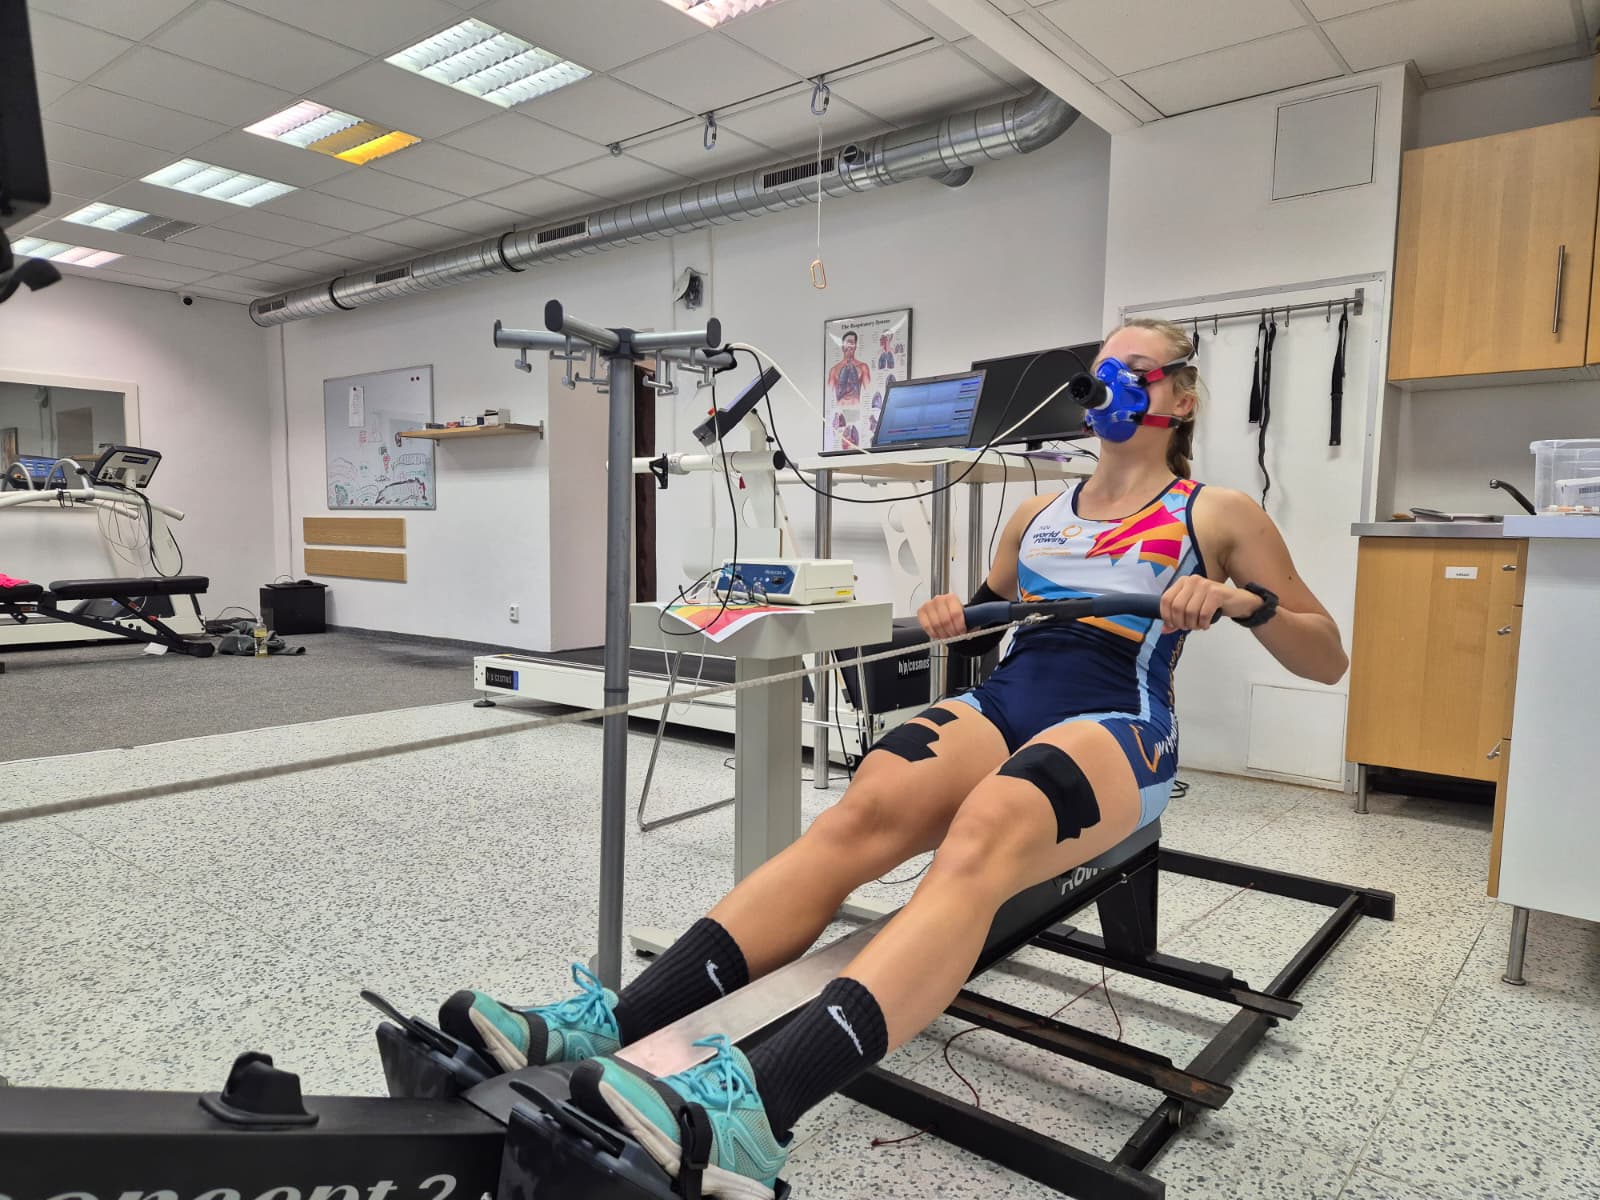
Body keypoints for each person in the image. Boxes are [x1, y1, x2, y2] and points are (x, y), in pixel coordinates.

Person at [441, 318, 1349, 1199]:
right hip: (1010, 699)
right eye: (1102, 367)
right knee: (866, 805)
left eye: (1134, 369)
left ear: (1180, 399)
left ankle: (755, 1115)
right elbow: (987, 623)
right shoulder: (1036, 515)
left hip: (1120, 714)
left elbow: (1327, 655)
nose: (1108, 384)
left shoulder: (1213, 511)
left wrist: (1245, 604)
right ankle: (610, 1024)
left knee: (993, 823)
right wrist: (954, 616)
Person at [826, 329, 870, 407]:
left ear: (855, 346)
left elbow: (869, 391)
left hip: (856, 408)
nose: (849, 346)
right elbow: (828, 394)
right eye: (847, 343)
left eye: (852, 343)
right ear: (842, 346)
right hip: (840, 408)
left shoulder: (863, 367)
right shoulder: (834, 370)